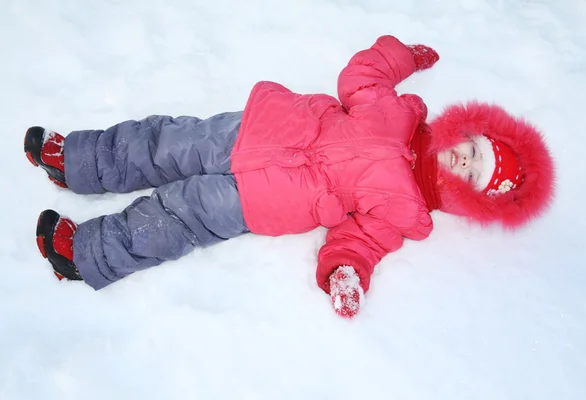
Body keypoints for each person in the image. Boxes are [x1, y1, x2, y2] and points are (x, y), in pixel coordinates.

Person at [23, 35, 555, 318]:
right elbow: (360, 76)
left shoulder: (405, 213)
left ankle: (87, 254)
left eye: (474, 173)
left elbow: (359, 240)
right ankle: (79, 160)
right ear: (464, 131)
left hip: (265, 199)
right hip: (255, 129)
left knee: (180, 214)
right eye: (472, 149)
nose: (463, 160)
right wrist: (400, 58)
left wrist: (346, 272)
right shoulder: (398, 114)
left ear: (468, 201)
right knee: (167, 141)